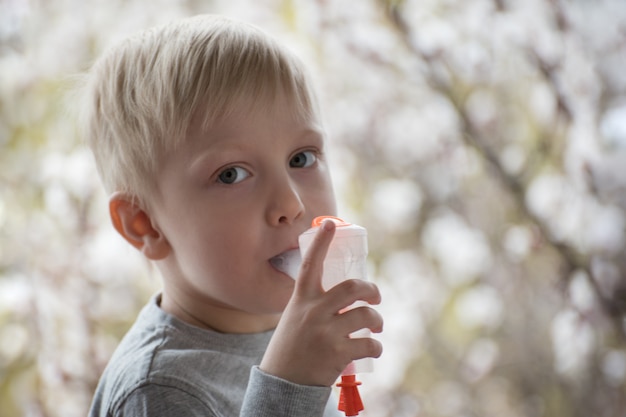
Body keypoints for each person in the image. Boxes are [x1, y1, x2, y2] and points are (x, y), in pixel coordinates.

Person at [81, 14, 383, 417]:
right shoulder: (159, 391)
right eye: (231, 174)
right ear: (145, 224)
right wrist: (289, 387)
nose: (290, 204)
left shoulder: (284, 329)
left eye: (302, 158)